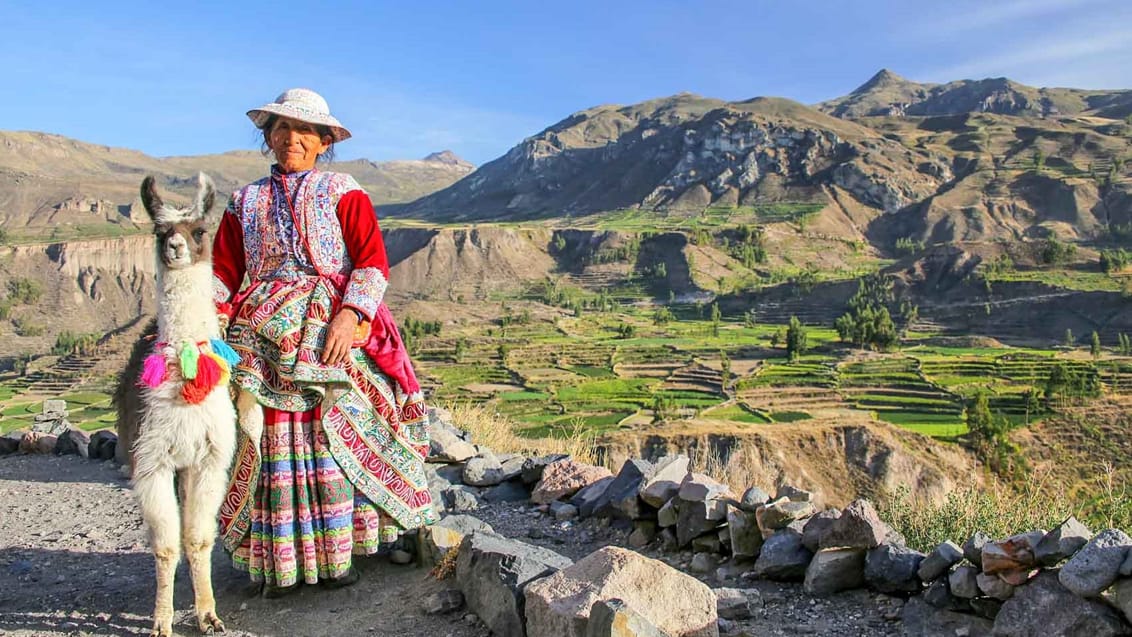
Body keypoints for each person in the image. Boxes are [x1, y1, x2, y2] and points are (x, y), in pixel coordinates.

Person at [211, 88, 438, 597]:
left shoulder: (343, 190)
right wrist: (207, 319)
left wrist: (350, 316)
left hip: (331, 313)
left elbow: (372, 261)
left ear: (323, 142)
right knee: (262, 436)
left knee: (342, 420)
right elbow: (225, 270)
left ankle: (340, 552)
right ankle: (280, 566)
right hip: (261, 328)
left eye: (305, 131)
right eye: (281, 129)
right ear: (268, 137)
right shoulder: (243, 202)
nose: (292, 138)